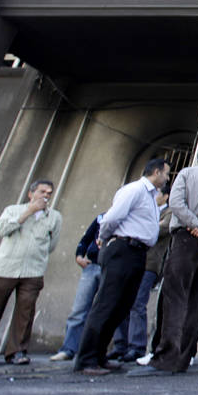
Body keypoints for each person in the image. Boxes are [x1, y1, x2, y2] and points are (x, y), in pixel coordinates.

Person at [129, 144, 198, 376]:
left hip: (185, 239)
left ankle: (166, 355)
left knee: (175, 294)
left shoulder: (186, 174)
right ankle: (185, 355)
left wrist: (197, 224)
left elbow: (176, 204)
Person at [73, 158, 171, 375]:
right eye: (166, 174)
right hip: (122, 250)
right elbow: (112, 218)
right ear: (156, 172)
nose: (167, 178)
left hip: (138, 254)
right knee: (106, 304)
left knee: (122, 305)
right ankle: (86, 359)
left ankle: (99, 356)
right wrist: (104, 238)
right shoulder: (135, 190)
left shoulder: (150, 197)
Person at [0, 180, 62, 368]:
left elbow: (52, 244)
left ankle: (17, 352)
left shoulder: (54, 217)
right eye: (42, 191)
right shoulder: (13, 210)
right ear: (31, 194)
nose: (46, 196)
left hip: (33, 270)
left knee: (25, 312)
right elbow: (3, 229)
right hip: (6, 268)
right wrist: (28, 213)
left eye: (49, 193)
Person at [108, 179, 171, 362]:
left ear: (165, 196)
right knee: (122, 301)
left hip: (150, 263)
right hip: (132, 259)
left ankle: (136, 347)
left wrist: (136, 227)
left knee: (137, 304)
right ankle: (121, 345)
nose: (153, 196)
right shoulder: (148, 209)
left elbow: (161, 229)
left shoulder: (169, 211)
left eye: (157, 193)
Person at [49, 213, 104, 362]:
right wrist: (79, 255)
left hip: (110, 267)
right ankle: (68, 349)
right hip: (92, 266)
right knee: (79, 309)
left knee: (108, 311)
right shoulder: (102, 217)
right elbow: (86, 238)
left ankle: (103, 351)